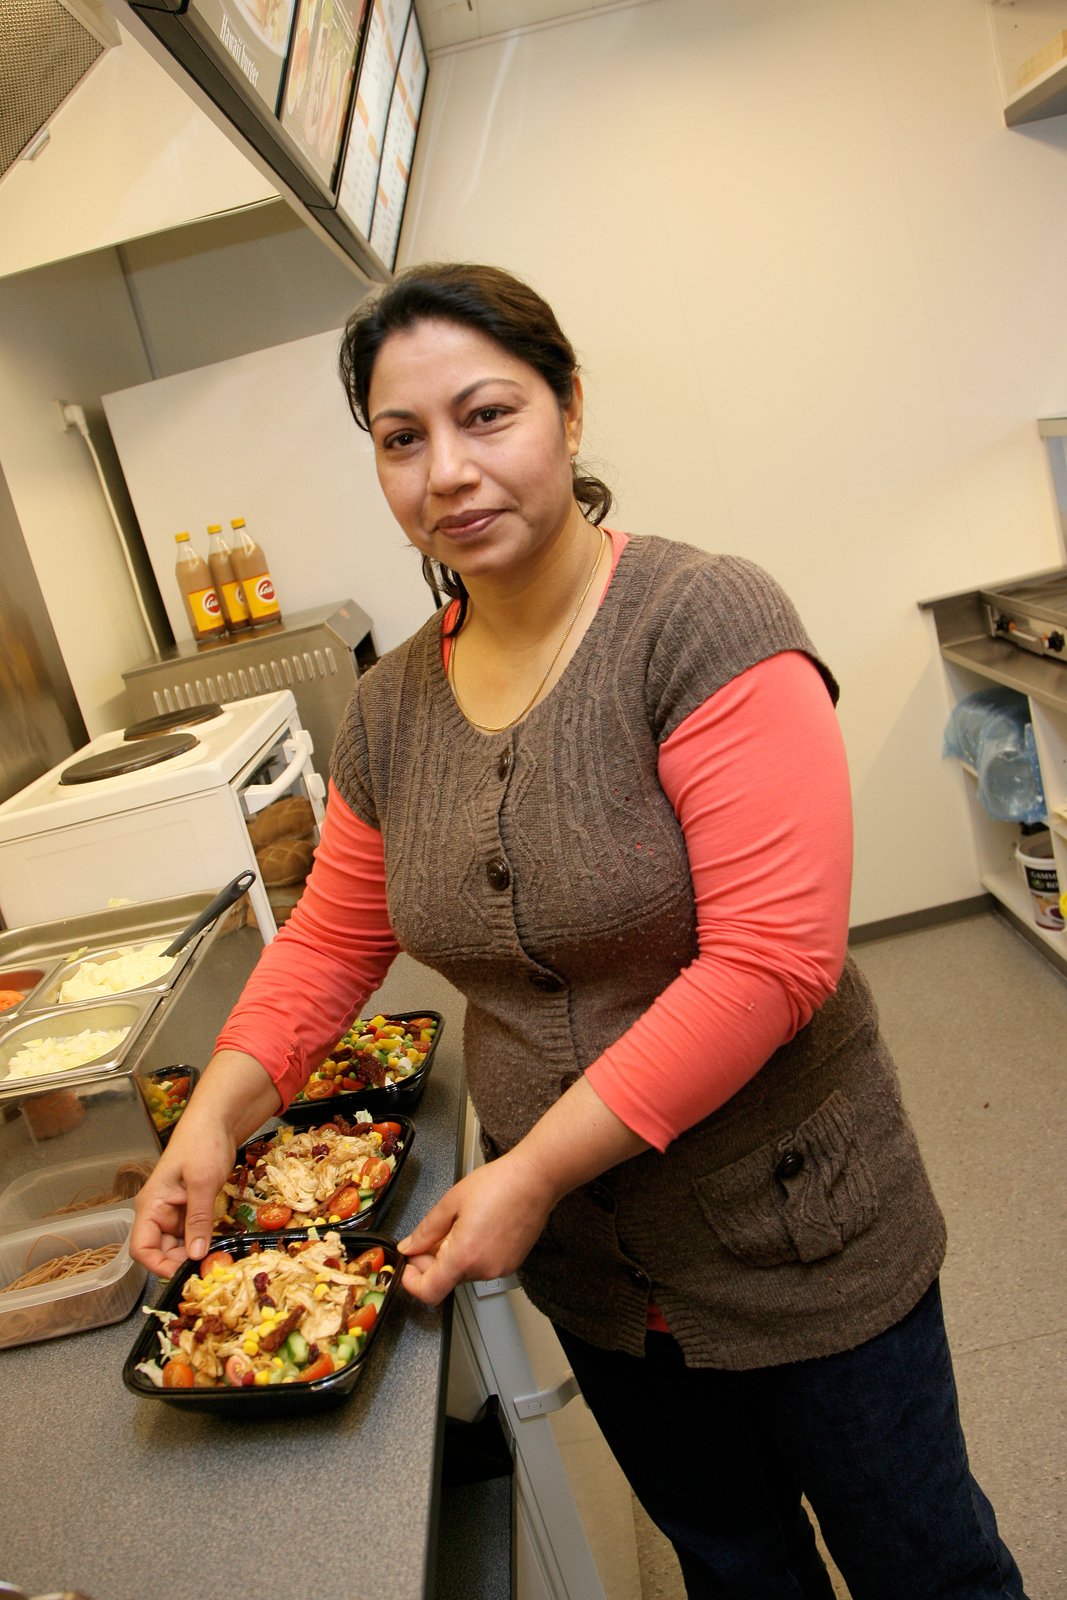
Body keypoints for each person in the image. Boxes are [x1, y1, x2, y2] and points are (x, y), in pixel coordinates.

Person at [131, 263, 1026, 1600]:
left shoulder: (703, 622)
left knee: (924, 1564)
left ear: (568, 409)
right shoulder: (386, 715)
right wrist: (216, 1114)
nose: (449, 472)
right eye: (401, 438)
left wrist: (536, 1167)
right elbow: (328, 945)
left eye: (488, 415)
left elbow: (773, 962)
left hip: (797, 1235)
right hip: (600, 1281)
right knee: (733, 1564)